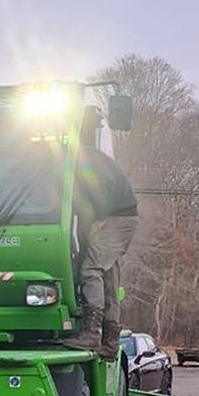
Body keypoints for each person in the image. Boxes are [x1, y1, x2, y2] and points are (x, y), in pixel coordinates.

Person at [71, 110, 138, 357]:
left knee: (90, 270)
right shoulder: (90, 158)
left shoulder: (83, 160)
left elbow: (94, 203)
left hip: (115, 217)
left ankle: (91, 334)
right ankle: (110, 343)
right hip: (119, 217)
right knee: (109, 278)